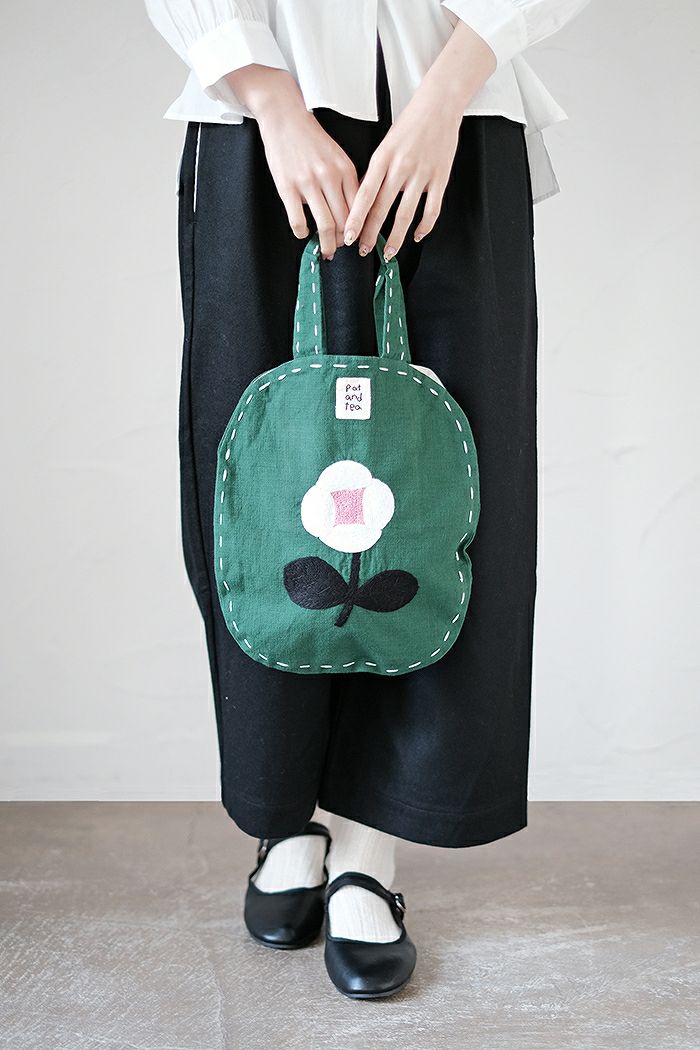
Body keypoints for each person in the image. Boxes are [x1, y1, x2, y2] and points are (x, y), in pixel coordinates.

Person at [145, 0, 590, 1000]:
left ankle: (368, 850)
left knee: (439, 501)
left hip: (454, 112)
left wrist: (444, 96)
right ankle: (286, 821)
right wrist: (269, 100)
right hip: (264, 119)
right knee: (261, 493)